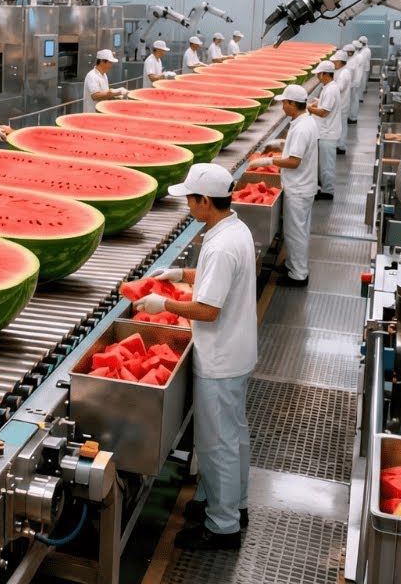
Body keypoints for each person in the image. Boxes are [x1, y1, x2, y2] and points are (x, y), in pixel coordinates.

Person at [134, 163, 256, 551]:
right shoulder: (234, 228)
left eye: (190, 199)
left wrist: (162, 303)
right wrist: (181, 274)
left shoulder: (220, 245)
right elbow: (214, 278)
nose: (187, 205)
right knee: (232, 436)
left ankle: (222, 528)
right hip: (236, 350)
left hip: (220, 357)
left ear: (206, 201)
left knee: (216, 443)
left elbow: (207, 310)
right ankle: (231, 503)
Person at [249, 85, 319, 287]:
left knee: (295, 233)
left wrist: (269, 161)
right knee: (298, 230)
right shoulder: (305, 121)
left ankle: (298, 276)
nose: (282, 106)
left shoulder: (302, 127)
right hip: (303, 185)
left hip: (298, 188)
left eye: (284, 103)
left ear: (291, 103)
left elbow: (294, 161)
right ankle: (292, 264)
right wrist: (282, 146)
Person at [306, 61, 342, 201]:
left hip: (328, 133)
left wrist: (308, 109)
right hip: (325, 132)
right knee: (324, 163)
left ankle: (328, 191)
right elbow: (322, 103)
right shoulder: (329, 87)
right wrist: (314, 103)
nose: (318, 77)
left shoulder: (331, 89)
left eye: (319, 74)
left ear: (325, 74)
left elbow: (323, 112)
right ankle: (324, 186)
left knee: (327, 165)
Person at [336, 45, 358, 154]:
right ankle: (340, 145)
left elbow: (339, 88)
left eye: (336, 61)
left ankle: (340, 146)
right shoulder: (344, 71)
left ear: (340, 62)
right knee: (342, 125)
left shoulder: (344, 73)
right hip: (344, 103)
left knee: (341, 125)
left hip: (342, 104)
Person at [350, 35, 370, 123]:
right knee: (356, 96)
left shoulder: (362, 53)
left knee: (355, 97)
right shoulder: (361, 53)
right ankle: (353, 116)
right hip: (359, 76)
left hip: (357, 78)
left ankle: (353, 117)